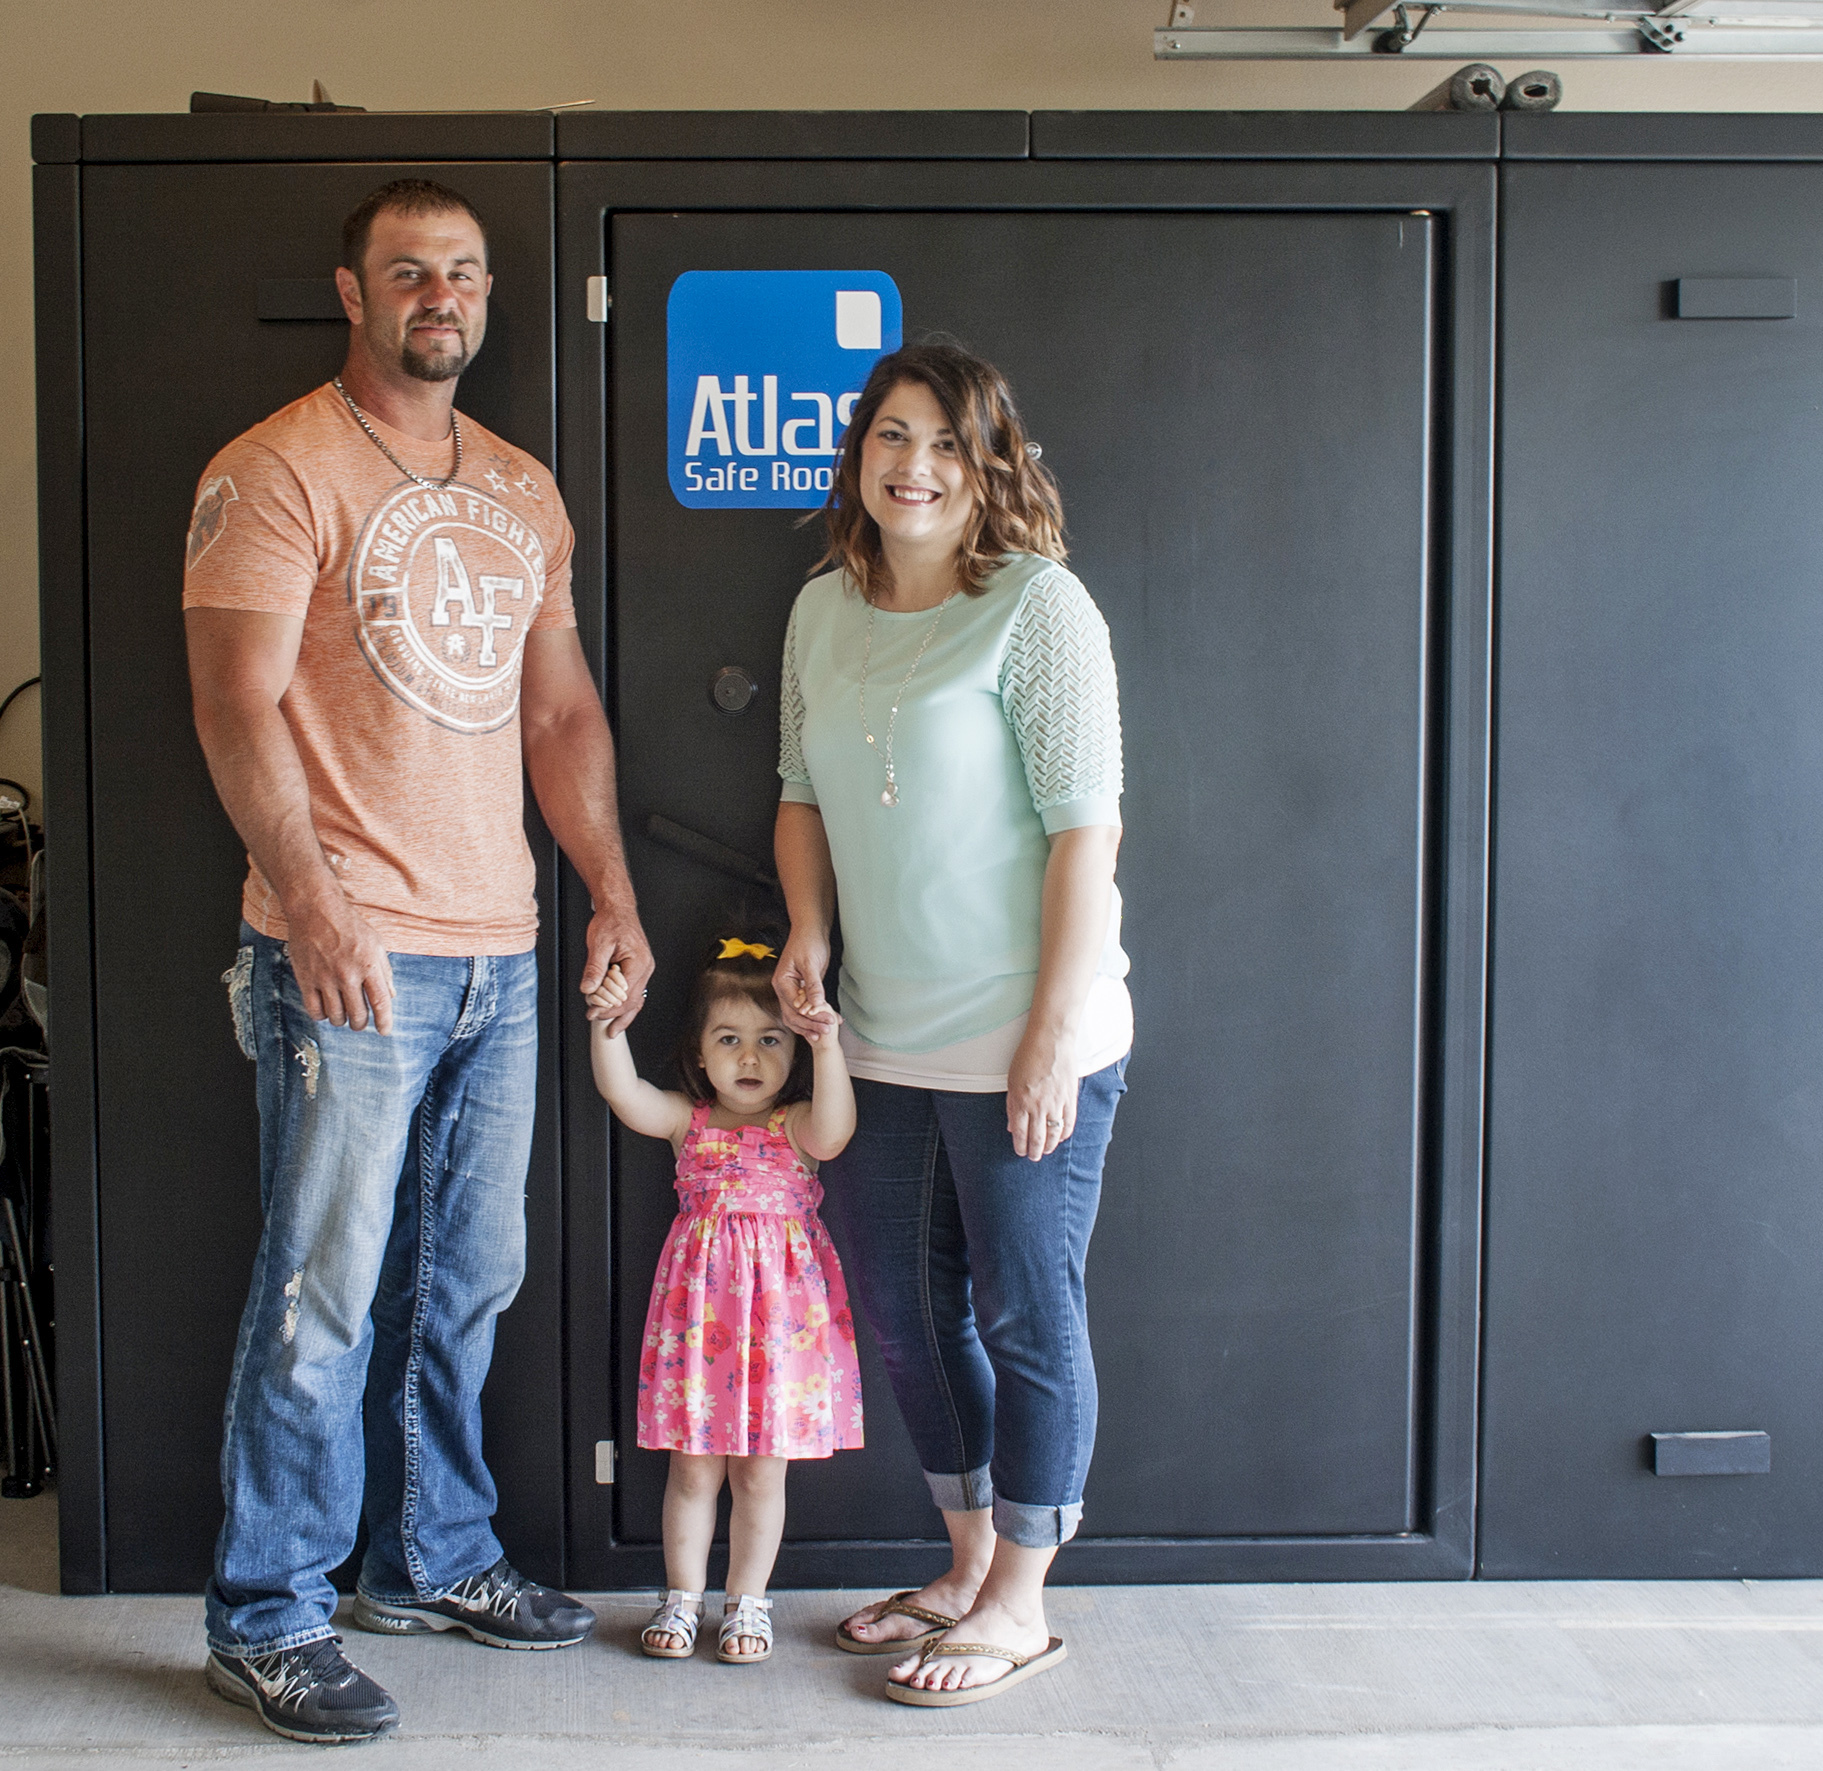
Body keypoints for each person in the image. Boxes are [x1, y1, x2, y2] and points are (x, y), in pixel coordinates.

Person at [183, 178, 651, 1745]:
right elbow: (235, 706)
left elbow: (562, 712)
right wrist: (311, 907)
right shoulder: (272, 470)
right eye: (406, 271)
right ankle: (269, 1611)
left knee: (467, 1279)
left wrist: (610, 892)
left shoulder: (521, 490)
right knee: (321, 1292)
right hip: (348, 951)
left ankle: (428, 1556)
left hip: (501, 952)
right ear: (353, 290)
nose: (436, 294)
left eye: (459, 272)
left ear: (486, 293)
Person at [769, 343, 1129, 1706]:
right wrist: (807, 928)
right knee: (908, 1320)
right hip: (881, 1032)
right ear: (859, 455)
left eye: (943, 442)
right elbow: (800, 790)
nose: (912, 465)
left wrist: (1049, 1033)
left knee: (1029, 1313)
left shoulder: (1039, 608)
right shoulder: (821, 610)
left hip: (1026, 1031)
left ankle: (1024, 1601)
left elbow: (1086, 832)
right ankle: (969, 1560)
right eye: (889, 437)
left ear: (989, 466)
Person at [586, 935, 863, 1665]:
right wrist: (607, 1024)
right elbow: (622, 1093)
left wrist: (827, 1044)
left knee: (760, 1471)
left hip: (777, 1334)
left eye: (770, 1040)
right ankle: (681, 1595)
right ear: (700, 1052)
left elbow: (836, 1133)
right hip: (700, 1328)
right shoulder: (690, 1122)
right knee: (692, 1467)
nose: (749, 1058)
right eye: (729, 1039)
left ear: (793, 1049)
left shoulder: (796, 1127)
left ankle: (747, 1599)